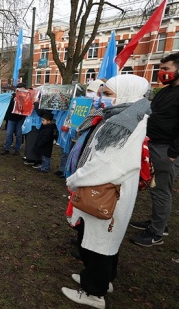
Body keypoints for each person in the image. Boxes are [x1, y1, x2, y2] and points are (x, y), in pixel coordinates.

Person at [61, 74, 151, 308]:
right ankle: (103, 279)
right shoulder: (132, 115)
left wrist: (75, 179)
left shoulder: (121, 123)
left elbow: (105, 164)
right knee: (107, 241)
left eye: (108, 94)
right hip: (115, 189)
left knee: (98, 242)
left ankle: (93, 293)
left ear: (127, 93)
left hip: (106, 191)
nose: (102, 98)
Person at [129, 52, 179, 246]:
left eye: (166, 68)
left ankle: (156, 233)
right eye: (160, 68)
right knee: (154, 188)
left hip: (166, 150)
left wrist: (173, 153)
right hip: (154, 144)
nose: (161, 72)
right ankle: (158, 222)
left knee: (160, 189)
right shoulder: (165, 91)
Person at [1, 83, 26, 155]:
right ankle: (7, 148)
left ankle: (17, 149)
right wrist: (12, 100)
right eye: (19, 90)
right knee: (9, 133)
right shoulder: (12, 96)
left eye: (23, 90)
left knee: (19, 134)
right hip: (11, 118)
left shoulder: (27, 97)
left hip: (20, 119)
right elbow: (8, 106)